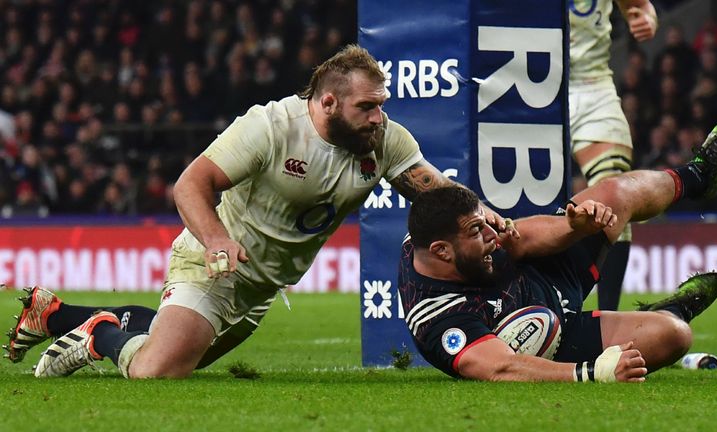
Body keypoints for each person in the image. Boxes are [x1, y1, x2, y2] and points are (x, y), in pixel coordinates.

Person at [4, 45, 507, 378]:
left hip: (262, 287)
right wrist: (217, 239)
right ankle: (99, 336)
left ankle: (55, 314)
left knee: (180, 347)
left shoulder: (386, 140)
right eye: (367, 107)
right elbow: (191, 185)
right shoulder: (270, 126)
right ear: (328, 102)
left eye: (381, 105)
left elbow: (439, 196)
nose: (378, 117)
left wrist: (485, 215)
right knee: (158, 370)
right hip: (214, 264)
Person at [398, 113, 717, 382]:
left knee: (614, 197)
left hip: (541, 270)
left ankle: (698, 177)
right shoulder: (438, 319)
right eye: (478, 231)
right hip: (554, 337)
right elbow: (500, 366)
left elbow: (519, 239)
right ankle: (673, 310)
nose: (491, 235)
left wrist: (572, 226)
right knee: (674, 335)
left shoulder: (455, 230)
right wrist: (588, 372)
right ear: (443, 252)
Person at [569, 0, 658, 310]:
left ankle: (606, 318)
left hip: (590, 87)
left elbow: (641, 6)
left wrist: (646, 18)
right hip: (524, 86)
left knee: (614, 198)